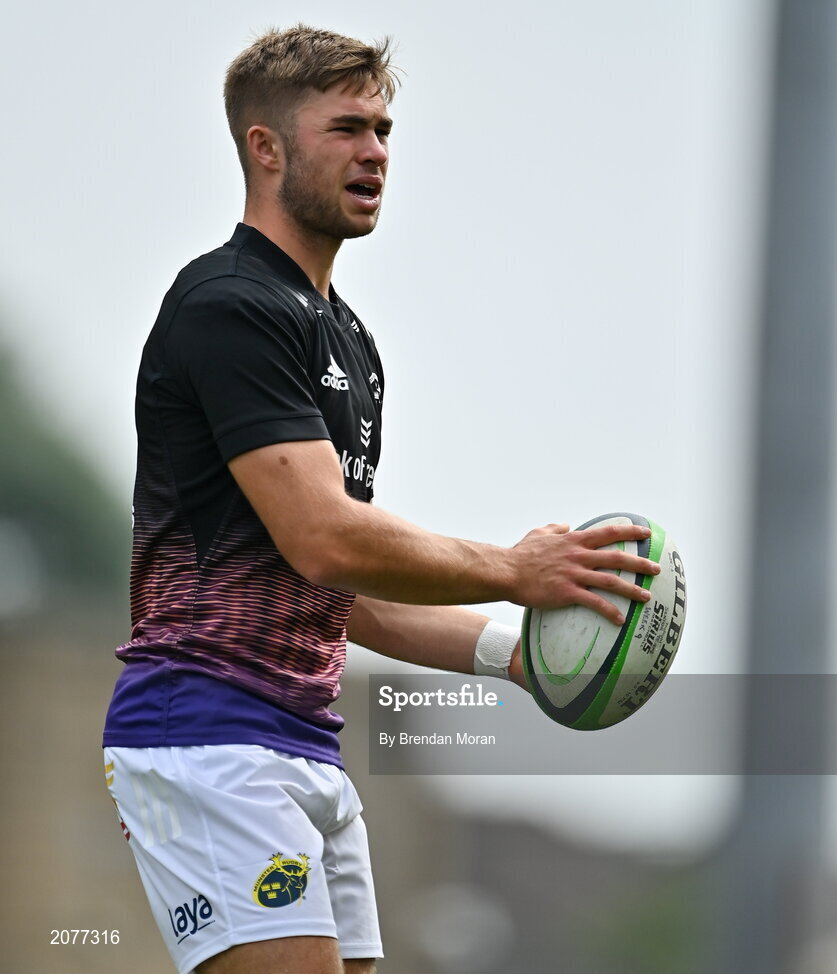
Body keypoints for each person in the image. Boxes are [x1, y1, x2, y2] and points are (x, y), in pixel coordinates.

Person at [102, 24, 660, 974]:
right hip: (206, 732)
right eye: (346, 129)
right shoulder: (228, 305)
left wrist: (519, 658)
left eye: (384, 130)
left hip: (301, 739)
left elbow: (335, 589)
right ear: (265, 147)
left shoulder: (348, 339)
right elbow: (327, 538)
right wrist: (516, 569)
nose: (375, 152)